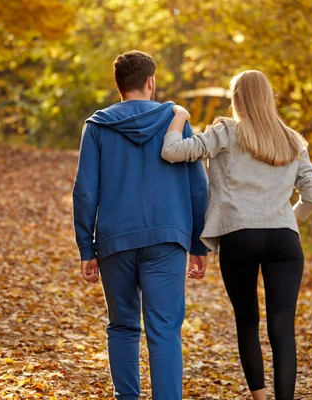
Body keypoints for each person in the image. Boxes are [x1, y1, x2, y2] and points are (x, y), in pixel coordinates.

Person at [161, 70, 312, 400]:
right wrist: (285, 221)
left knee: (247, 320)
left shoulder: (225, 132)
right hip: (283, 240)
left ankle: (260, 398)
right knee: (282, 327)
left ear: (237, 99)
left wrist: (179, 116)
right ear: (268, 97)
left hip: (239, 236)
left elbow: (173, 151)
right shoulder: (292, 140)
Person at [72, 50, 210, 400]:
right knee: (164, 331)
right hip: (167, 238)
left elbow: (85, 191)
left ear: (118, 85)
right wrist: (199, 244)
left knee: (122, 326)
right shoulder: (175, 120)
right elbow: (198, 186)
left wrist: (86, 248)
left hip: (115, 240)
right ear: (151, 82)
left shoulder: (98, 126)